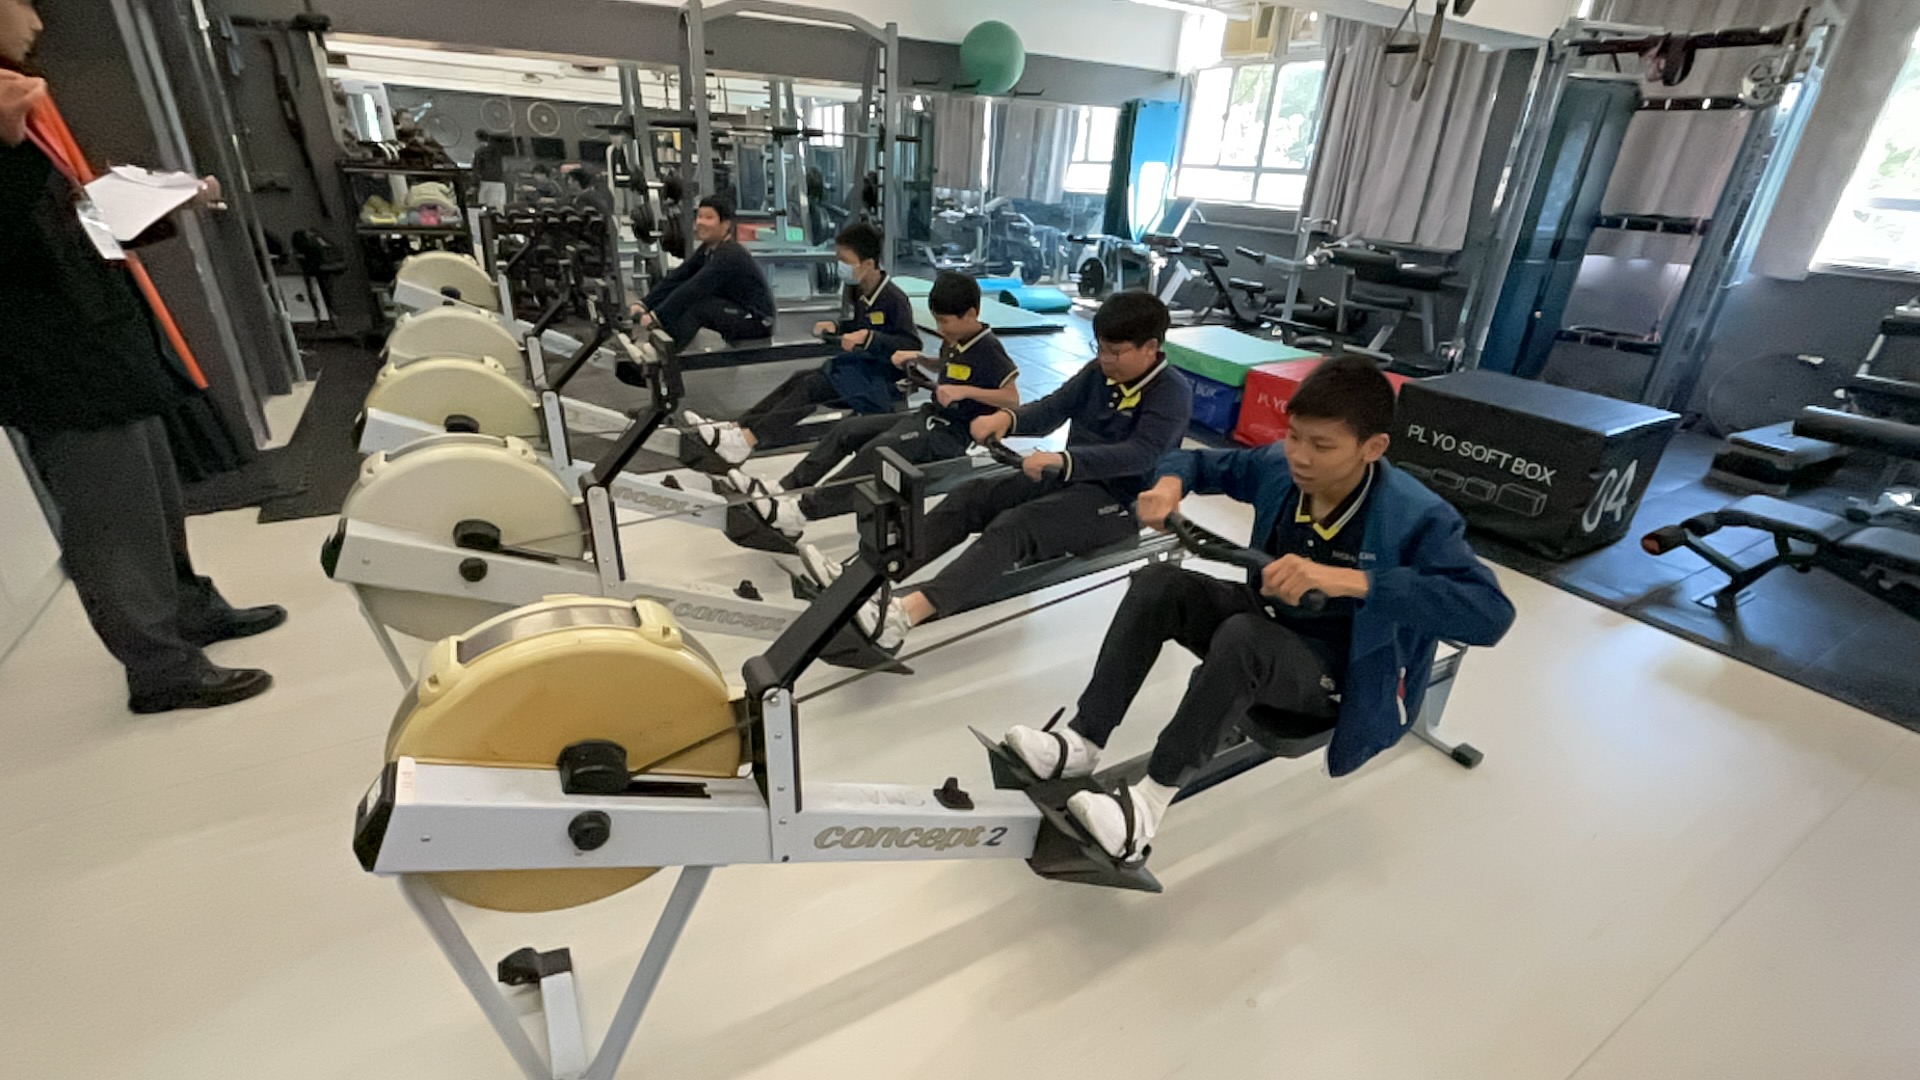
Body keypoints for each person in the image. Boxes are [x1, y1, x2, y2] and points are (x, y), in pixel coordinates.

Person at [999, 356, 1517, 861]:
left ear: (1373, 447)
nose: (1300, 456)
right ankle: (1083, 740)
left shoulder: (1416, 515)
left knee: (1244, 639)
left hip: (1338, 670)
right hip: (1270, 620)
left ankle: (1145, 809)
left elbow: (1490, 614)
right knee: (1159, 585)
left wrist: (1353, 581)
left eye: (1322, 445)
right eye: (1294, 436)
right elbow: (1196, 462)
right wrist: (1169, 484)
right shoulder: (1280, 468)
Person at [1, 0, 285, 714]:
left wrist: (160, 204)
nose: (36, 20)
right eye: (21, 3)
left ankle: (187, 609)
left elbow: (72, 221)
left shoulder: (23, 101)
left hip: (104, 336)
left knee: (152, 494)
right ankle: (159, 668)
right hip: (56, 360)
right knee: (110, 517)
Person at [860, 291, 1193, 649]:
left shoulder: (1172, 392)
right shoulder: (1098, 373)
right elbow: (1052, 409)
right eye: (1100, 348)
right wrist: (1007, 419)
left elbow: (1141, 455)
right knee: (971, 497)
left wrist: (1062, 460)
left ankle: (905, 616)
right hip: (1071, 479)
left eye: (1115, 352)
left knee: (1015, 527)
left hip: (1120, 503)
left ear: (1150, 347)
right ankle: (866, 580)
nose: (1104, 359)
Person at [722, 271, 1020, 549]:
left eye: (945, 322)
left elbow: (1011, 398)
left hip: (949, 435)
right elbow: (949, 366)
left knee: (879, 450)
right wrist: (920, 359)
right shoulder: (955, 339)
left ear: (971, 314)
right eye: (937, 322)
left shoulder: (989, 348)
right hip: (929, 416)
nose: (941, 329)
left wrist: (965, 392)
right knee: (847, 430)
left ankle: (799, 513)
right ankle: (786, 488)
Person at [681, 221, 918, 464]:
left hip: (880, 384)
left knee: (812, 387)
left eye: (845, 261)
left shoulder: (894, 299)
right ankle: (738, 429)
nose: (840, 267)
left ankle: (749, 441)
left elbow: (911, 345)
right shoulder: (858, 291)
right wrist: (838, 328)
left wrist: (870, 338)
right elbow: (861, 327)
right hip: (857, 371)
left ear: (867, 264)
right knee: (800, 379)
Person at [625, 194, 776, 353]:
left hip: (758, 322)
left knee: (698, 308)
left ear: (725, 225)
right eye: (699, 216)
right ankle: (659, 346)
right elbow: (678, 277)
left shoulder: (730, 255)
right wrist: (645, 303)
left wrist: (656, 316)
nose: (701, 222)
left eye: (709, 218)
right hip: (737, 309)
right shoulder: (708, 249)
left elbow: (695, 287)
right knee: (691, 300)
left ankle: (666, 352)